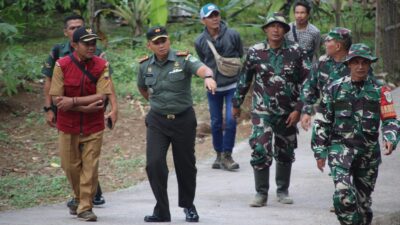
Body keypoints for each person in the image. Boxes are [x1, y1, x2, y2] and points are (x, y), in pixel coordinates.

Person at [311, 43, 399, 225]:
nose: (360, 67)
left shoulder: (380, 91)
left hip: (368, 153)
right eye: (356, 62)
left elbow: (390, 119)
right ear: (348, 64)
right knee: (343, 195)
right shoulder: (334, 89)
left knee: (363, 204)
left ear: (369, 65)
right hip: (340, 150)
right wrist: (320, 151)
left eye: (364, 63)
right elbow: (322, 122)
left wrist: (390, 137)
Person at [137, 26, 217, 223]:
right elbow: (142, 87)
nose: (161, 45)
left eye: (163, 40)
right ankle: (162, 210)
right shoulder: (144, 66)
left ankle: (188, 205)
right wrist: (156, 103)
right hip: (157, 120)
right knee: (154, 163)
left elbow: (203, 68)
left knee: (186, 165)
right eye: (156, 42)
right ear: (150, 45)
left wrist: (208, 77)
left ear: (169, 41)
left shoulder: (183, 59)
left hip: (183, 119)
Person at [232, 13, 310, 207]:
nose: (275, 30)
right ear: (265, 30)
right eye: (271, 26)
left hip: (288, 112)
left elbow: (308, 82)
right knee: (260, 148)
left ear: (285, 30)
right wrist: (236, 104)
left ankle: (282, 190)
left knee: (285, 151)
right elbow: (245, 79)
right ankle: (261, 193)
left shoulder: (297, 51)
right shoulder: (255, 52)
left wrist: (299, 109)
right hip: (262, 112)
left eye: (280, 26)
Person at [41, 14, 116, 206]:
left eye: (79, 27)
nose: (91, 46)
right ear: (70, 37)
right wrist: (50, 107)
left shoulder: (100, 59)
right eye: (72, 28)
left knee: (89, 165)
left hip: (94, 120)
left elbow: (105, 90)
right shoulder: (60, 56)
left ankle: (85, 205)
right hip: (68, 121)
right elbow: (53, 90)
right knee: (70, 165)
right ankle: (80, 196)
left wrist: (112, 107)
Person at [195, 3, 243, 170]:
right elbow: (202, 60)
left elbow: (239, 54)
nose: (215, 18)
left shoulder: (233, 35)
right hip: (213, 87)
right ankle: (218, 154)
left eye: (216, 15)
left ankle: (227, 155)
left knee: (230, 120)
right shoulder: (200, 41)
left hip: (233, 84)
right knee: (215, 122)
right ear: (203, 20)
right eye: (210, 16)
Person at [300, 27, 352, 131]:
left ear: (338, 46)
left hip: (351, 121)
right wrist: (306, 111)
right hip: (325, 120)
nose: (325, 44)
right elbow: (309, 88)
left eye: (328, 41)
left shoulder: (357, 64)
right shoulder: (321, 64)